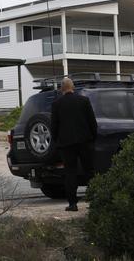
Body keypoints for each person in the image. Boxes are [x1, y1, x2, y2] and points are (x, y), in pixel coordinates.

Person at [51, 77, 98, 211]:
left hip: (66, 144)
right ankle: (95, 200)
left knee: (70, 173)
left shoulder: (56, 104)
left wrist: (56, 141)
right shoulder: (84, 101)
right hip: (85, 141)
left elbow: (54, 126)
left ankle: (72, 204)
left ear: (61, 89)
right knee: (89, 170)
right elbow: (92, 122)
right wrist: (92, 138)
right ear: (73, 88)